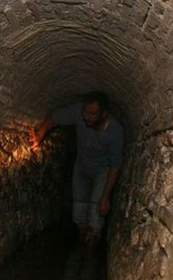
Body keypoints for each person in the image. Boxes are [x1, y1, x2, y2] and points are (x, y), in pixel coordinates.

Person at [31, 91, 124, 251]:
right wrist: (40, 134)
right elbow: (55, 117)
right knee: (79, 210)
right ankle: (82, 242)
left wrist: (106, 196)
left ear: (104, 114)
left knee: (96, 210)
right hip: (81, 167)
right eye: (85, 112)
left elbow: (115, 164)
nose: (87, 116)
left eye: (93, 114)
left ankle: (92, 248)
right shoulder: (77, 112)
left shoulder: (115, 131)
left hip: (103, 170)